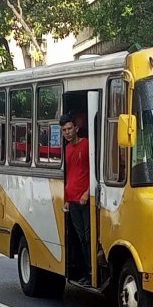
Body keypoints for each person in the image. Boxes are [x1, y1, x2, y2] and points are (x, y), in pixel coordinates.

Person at [60, 113, 91, 286]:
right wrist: (66, 199)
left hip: (84, 200)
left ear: (76, 129)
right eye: (64, 130)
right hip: (72, 201)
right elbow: (69, 175)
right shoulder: (67, 149)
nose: (67, 132)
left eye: (70, 129)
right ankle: (85, 274)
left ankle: (90, 274)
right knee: (80, 238)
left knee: (87, 238)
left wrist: (87, 192)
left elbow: (94, 172)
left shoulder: (86, 145)